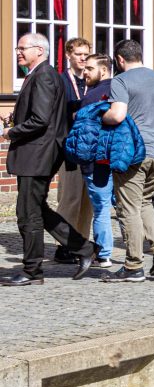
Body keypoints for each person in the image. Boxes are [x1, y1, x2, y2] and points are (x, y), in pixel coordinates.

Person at [0, 33, 97, 286]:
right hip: (39, 152)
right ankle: (84, 248)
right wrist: (16, 119)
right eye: (17, 47)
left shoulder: (43, 75)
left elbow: (41, 120)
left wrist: (11, 131)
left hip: (37, 154)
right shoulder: (43, 74)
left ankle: (32, 270)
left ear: (40, 51)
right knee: (37, 209)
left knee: (27, 214)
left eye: (23, 48)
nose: (18, 52)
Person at [101, 40, 154, 282]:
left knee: (128, 208)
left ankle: (133, 265)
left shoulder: (121, 80)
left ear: (120, 60)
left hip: (134, 151)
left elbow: (118, 114)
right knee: (144, 202)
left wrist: (102, 114)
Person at [52, 37, 94, 263]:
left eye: (86, 54)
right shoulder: (61, 81)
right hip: (69, 148)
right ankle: (63, 245)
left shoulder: (92, 81)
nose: (83, 58)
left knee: (87, 201)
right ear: (68, 55)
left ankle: (82, 243)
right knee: (70, 198)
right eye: (79, 54)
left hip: (90, 149)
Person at [79, 54, 115, 267]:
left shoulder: (91, 97)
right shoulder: (119, 90)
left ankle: (103, 254)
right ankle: (134, 252)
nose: (85, 73)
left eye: (89, 69)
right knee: (124, 208)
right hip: (118, 159)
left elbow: (84, 134)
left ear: (103, 70)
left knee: (101, 208)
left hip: (96, 161)